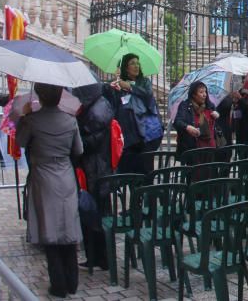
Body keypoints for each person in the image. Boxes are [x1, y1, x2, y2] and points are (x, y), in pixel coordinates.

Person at [16, 83, 83, 297]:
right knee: (68, 225)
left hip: (43, 176)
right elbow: (78, 150)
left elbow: (20, 142)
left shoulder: (32, 120)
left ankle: (59, 285)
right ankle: (72, 281)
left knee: (49, 228)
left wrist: (24, 117)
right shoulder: (70, 120)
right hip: (65, 175)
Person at [72, 82, 114, 272]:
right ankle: (99, 257)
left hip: (95, 170)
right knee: (97, 214)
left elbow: (88, 144)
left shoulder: (95, 113)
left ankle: (99, 258)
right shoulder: (100, 105)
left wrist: (73, 137)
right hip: (98, 169)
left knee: (93, 215)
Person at [104, 54, 163, 175]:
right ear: (125, 67)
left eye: (137, 63)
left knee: (146, 172)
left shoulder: (144, 82)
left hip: (145, 134)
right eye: (132, 63)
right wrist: (115, 83)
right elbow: (112, 104)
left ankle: (146, 193)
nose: (136, 66)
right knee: (129, 172)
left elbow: (148, 96)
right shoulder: (118, 83)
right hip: (127, 135)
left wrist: (131, 87)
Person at [174, 81, 218, 159]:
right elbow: (177, 122)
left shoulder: (210, 106)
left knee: (210, 170)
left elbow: (214, 126)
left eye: (205, 92)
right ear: (194, 95)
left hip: (210, 148)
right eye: (201, 92)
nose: (204, 94)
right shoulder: (185, 106)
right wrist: (187, 127)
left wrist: (217, 115)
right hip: (193, 149)